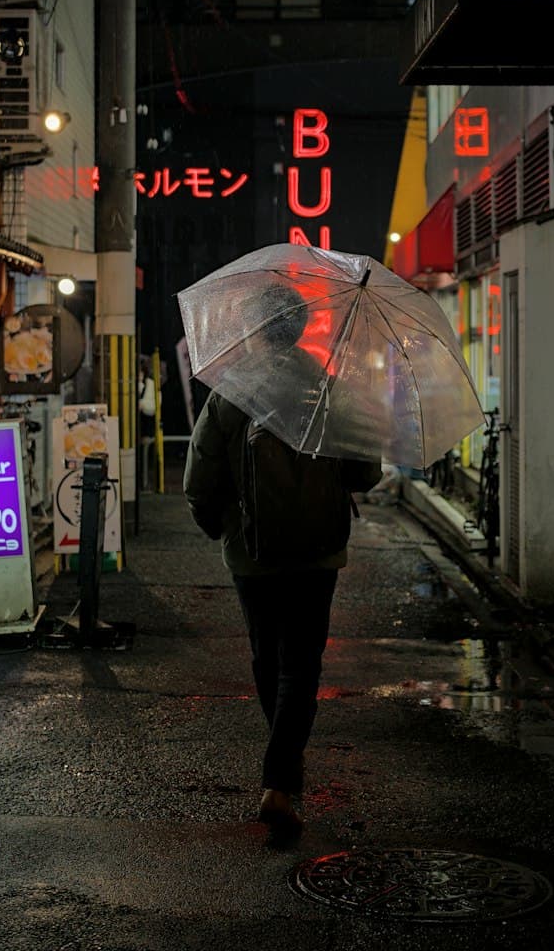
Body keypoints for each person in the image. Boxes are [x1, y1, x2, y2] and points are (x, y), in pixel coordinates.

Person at [182, 282, 381, 836]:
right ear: (299, 329)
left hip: (251, 555)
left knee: (268, 660)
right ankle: (281, 776)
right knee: (302, 663)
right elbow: (365, 472)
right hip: (319, 553)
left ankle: (281, 771)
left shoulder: (230, 391)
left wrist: (220, 529)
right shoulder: (328, 386)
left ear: (252, 328)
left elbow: (199, 483)